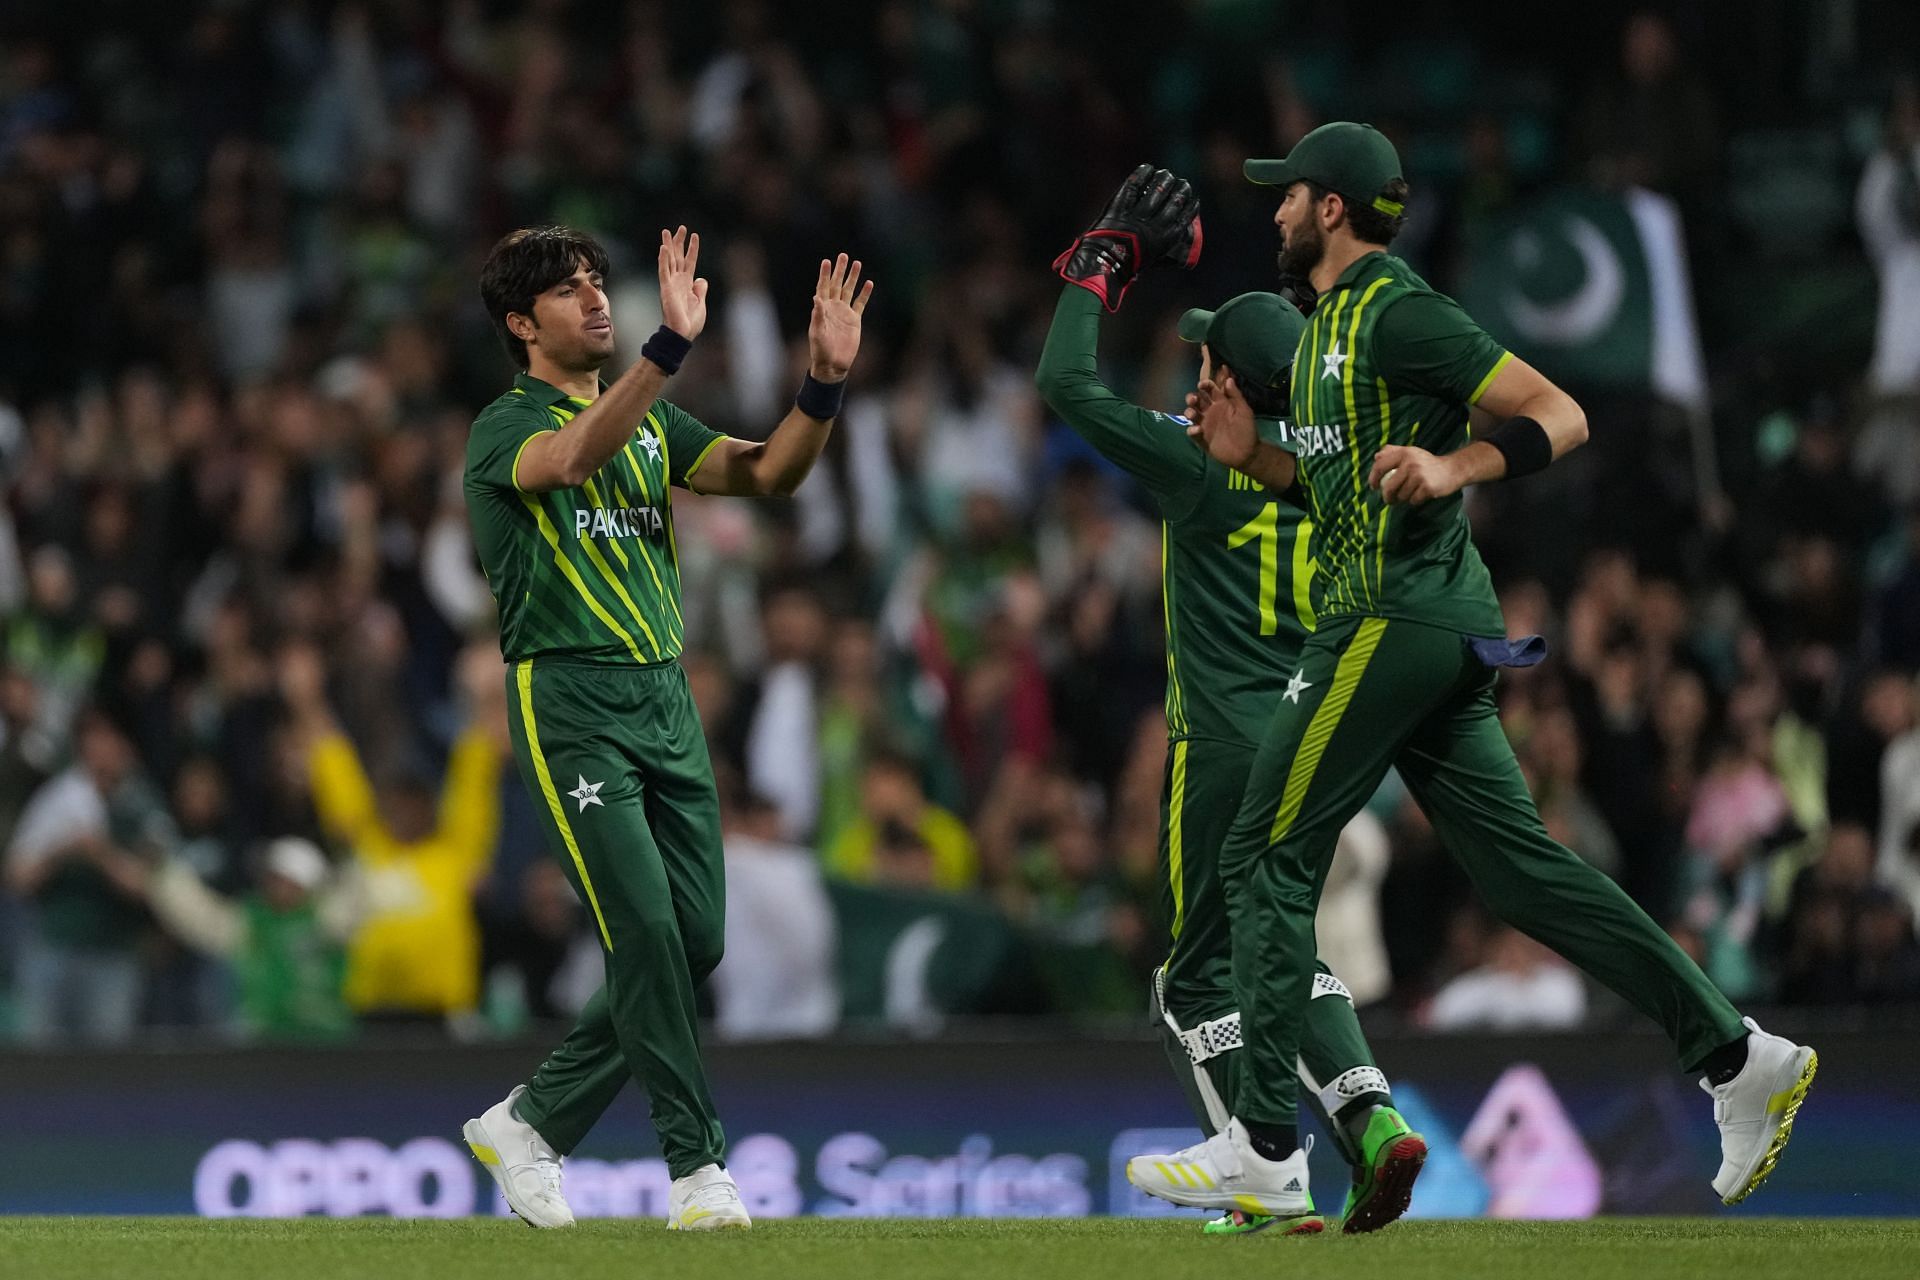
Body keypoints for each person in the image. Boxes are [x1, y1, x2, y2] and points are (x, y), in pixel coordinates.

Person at [1129, 122, 1815, 1220]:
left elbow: (1560, 413)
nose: (1274, 211)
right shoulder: (1319, 339)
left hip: (1390, 618)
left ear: (1335, 209)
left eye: (1288, 194)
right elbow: (1339, 490)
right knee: (1523, 874)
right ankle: (1739, 1056)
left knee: (1260, 856)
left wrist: (1458, 462)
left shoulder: (1399, 309)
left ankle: (1262, 1143)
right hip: (1437, 632)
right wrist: (1252, 458)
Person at [458, 224, 872, 1232]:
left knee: (693, 941)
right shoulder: (504, 426)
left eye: (599, 281)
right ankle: (698, 1170)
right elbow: (568, 459)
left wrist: (819, 385)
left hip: (665, 701)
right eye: (569, 290)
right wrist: (667, 352)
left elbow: (773, 473)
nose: (597, 298)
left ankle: (532, 1123)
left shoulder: (648, 421)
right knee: (642, 928)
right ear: (523, 324)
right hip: (573, 706)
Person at [1035, 165, 1423, 1235]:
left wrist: (1106, 254)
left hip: (1222, 742)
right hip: (1326, 725)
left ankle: (1269, 1180)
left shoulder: (1203, 467)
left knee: (1193, 980)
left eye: (1205, 361)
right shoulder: (1343, 461)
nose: (1192, 375)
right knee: (1285, 945)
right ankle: (1373, 1118)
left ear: (1237, 384)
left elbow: (1065, 383)